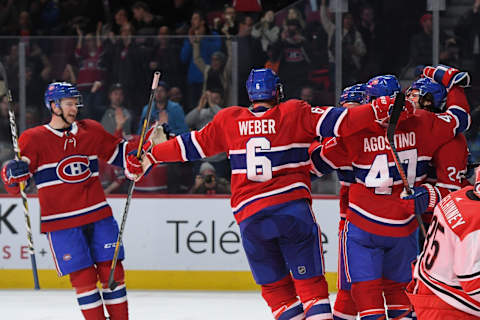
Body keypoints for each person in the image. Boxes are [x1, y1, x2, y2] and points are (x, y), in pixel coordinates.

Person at [127, 68, 411, 319]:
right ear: (278, 92)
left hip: (251, 218)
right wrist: (378, 108)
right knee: (311, 290)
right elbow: (342, 122)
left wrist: (151, 155)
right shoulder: (294, 111)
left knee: (278, 294)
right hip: (292, 212)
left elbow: (189, 146)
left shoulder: (229, 120)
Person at [309, 68, 471, 320]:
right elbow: (461, 117)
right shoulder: (426, 124)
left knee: (362, 294)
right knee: (400, 294)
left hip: (364, 225)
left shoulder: (355, 131)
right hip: (405, 227)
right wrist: (454, 83)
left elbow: (313, 164)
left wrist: (330, 130)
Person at [1, 82, 135, 320]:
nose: (75, 108)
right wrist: (11, 173)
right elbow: (17, 187)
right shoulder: (33, 138)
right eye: (69, 103)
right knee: (83, 279)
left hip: (98, 215)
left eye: (76, 103)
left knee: (112, 273)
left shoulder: (90, 130)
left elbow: (123, 155)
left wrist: (152, 143)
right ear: (53, 106)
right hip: (61, 223)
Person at [309, 83, 366, 320]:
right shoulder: (384, 133)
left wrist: (312, 143)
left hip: (354, 215)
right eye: (346, 110)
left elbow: (313, 166)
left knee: (351, 284)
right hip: (391, 213)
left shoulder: (338, 140)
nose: (349, 115)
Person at [405, 169, 480, 319]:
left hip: (432, 292)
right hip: (450, 308)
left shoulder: (459, 196)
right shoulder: (475, 222)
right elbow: (474, 285)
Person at [405, 77, 470, 247]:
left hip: (444, 220)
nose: (409, 99)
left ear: (428, 101)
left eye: (414, 95)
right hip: (421, 215)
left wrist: (426, 195)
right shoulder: (418, 128)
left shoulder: (450, 140)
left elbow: (453, 193)